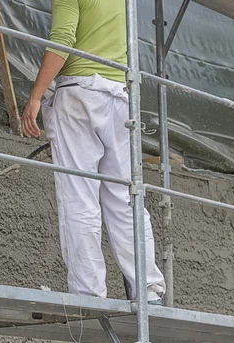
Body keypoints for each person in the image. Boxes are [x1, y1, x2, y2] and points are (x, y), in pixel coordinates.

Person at [21, 0, 166, 304]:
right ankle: (149, 288)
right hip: (119, 97)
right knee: (125, 199)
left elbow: (63, 39)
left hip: (78, 95)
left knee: (80, 197)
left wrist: (36, 97)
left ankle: (89, 294)